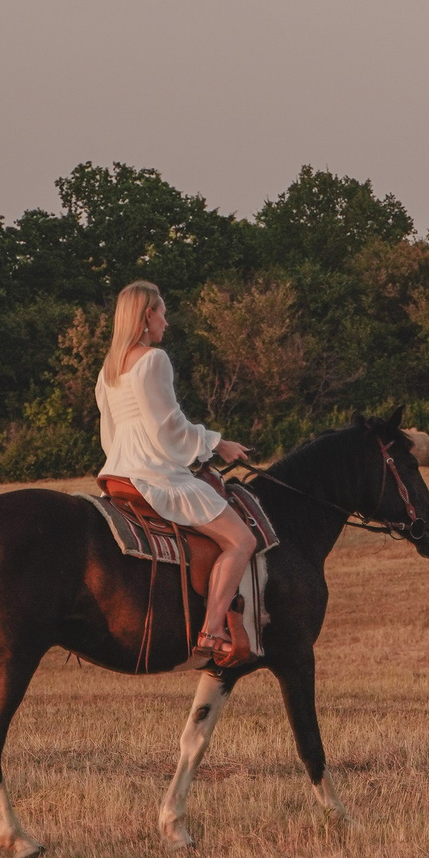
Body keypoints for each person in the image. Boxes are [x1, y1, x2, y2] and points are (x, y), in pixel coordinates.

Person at [94, 280, 258, 665]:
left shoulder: (109, 369)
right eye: (163, 313)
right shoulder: (154, 360)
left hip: (117, 473)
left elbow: (110, 432)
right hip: (154, 474)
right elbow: (168, 426)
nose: (166, 323)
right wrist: (218, 444)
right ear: (147, 314)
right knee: (241, 540)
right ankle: (213, 629)